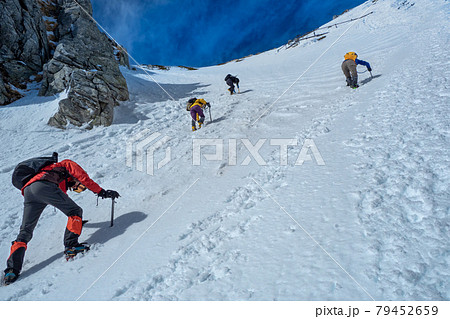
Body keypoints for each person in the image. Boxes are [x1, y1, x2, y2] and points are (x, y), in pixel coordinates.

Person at [3, 158, 119, 285]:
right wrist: (101, 192)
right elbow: (84, 178)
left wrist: (79, 223)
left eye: (78, 190)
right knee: (75, 211)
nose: (76, 188)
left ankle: (12, 270)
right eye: (78, 186)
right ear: (75, 179)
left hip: (29, 191)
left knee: (25, 231)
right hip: (42, 185)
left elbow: (63, 203)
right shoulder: (65, 164)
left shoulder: (57, 180)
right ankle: (71, 246)